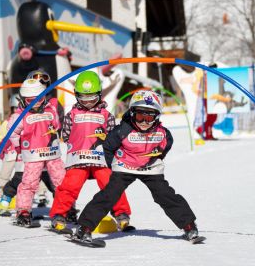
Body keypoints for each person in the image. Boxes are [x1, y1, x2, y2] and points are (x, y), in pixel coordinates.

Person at [72, 89, 205, 244]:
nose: (143, 121)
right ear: (132, 113)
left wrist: (156, 158)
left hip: (150, 168)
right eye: (140, 115)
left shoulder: (162, 133)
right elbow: (108, 147)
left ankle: (189, 226)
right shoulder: (122, 130)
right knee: (109, 195)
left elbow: (166, 145)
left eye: (149, 117)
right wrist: (113, 165)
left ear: (157, 116)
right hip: (124, 167)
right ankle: (84, 229)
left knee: (164, 194)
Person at [49, 71, 132, 231]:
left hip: (101, 160)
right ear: (76, 95)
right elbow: (65, 135)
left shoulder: (106, 115)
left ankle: (121, 213)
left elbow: (112, 136)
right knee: (69, 186)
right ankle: (59, 214)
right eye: (83, 98)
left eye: (92, 98)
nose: (87, 102)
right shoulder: (71, 115)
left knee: (111, 184)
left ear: (99, 95)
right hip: (78, 159)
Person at [7, 78, 66, 226]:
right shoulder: (19, 116)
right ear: (23, 99)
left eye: (40, 99)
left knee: (61, 180)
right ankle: (23, 211)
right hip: (33, 155)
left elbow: (57, 125)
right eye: (31, 100)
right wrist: (18, 147)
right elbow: (12, 133)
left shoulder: (51, 110)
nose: (36, 103)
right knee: (29, 182)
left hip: (52, 153)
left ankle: (65, 209)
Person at [0, 94, 20, 205]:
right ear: (12, 108)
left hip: (23, 153)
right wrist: (2, 149)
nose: (17, 111)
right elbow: (1, 138)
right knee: (5, 173)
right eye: (15, 108)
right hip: (11, 152)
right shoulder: (7, 122)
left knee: (29, 172)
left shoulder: (26, 120)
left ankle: (39, 192)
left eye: (19, 108)